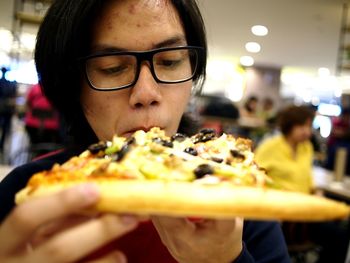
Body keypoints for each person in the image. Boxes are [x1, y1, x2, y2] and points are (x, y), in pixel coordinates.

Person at [0, 1, 290, 262]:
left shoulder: (240, 196)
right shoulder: (29, 193)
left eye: (170, 61)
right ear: (71, 86)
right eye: (112, 68)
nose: (146, 93)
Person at [255, 105, 349, 263]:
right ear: (289, 126)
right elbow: (255, 177)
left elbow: (307, 177)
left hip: (304, 212)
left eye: (308, 126)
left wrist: (316, 191)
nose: (306, 131)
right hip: (279, 212)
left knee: (340, 234)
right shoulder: (271, 146)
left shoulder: (307, 147)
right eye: (301, 126)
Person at [0, 67, 17, 153]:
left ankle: (2, 145)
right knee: (6, 128)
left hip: (5, 109)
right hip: (7, 109)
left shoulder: (5, 83)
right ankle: (2, 145)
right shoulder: (11, 84)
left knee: (5, 128)